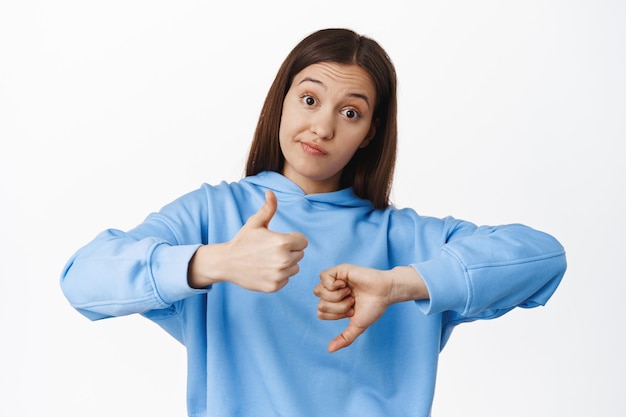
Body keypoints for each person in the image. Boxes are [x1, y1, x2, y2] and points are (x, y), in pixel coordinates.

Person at [60, 28, 567, 417]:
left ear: (370, 133)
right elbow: (83, 278)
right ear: (281, 100)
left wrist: (400, 284)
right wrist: (215, 262)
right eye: (309, 99)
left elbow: (543, 257)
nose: (322, 126)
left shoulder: (408, 240)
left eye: (351, 113)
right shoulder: (213, 215)